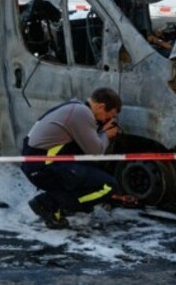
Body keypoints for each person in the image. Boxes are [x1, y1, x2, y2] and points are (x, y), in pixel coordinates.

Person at [20, 87, 122, 229]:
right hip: (42, 167)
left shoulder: (75, 106)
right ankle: (49, 203)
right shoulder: (82, 113)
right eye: (108, 115)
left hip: (38, 163)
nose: (107, 120)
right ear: (101, 106)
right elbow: (96, 152)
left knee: (93, 172)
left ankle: (66, 203)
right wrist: (106, 135)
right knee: (108, 186)